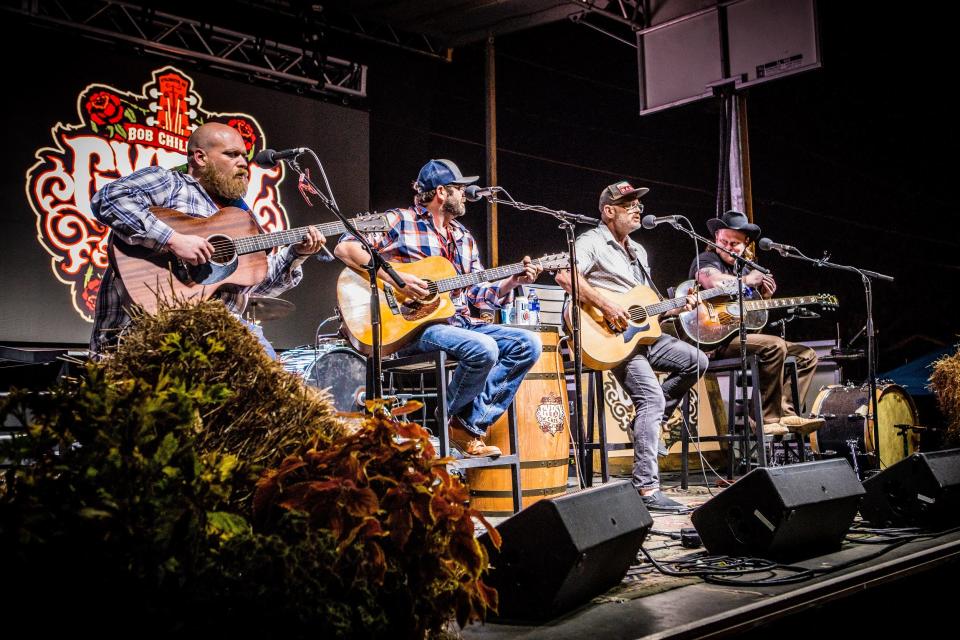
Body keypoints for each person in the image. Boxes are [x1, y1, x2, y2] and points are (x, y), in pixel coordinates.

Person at [334, 159, 542, 458]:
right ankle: (441, 423)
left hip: (458, 323)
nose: (465, 194)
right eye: (460, 188)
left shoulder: (463, 238)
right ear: (442, 192)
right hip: (413, 328)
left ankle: (466, 425)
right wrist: (398, 278)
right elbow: (346, 248)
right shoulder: (400, 220)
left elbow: (477, 294)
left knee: (528, 344)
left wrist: (511, 282)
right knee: (483, 349)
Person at [89, 122, 327, 358]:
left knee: (267, 365)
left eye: (244, 156)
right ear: (200, 158)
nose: (243, 163)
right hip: (146, 334)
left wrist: (297, 254)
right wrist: (173, 240)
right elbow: (109, 198)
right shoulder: (172, 185)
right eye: (232, 154)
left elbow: (257, 284)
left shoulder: (242, 216)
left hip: (218, 339)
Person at [555, 181, 708, 511]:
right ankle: (646, 488)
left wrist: (677, 306)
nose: (638, 208)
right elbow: (565, 277)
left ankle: (653, 419)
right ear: (609, 211)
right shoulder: (590, 241)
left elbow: (643, 307)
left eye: (638, 203)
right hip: (608, 337)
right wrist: (607, 306)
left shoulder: (638, 251)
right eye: (629, 204)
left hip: (641, 335)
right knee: (649, 397)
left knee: (697, 361)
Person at [689, 210, 823, 435]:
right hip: (715, 342)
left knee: (806, 355)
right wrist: (746, 281)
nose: (729, 247)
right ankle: (764, 420)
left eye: (735, 244)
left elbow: (754, 323)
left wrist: (764, 299)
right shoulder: (706, 260)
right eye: (724, 241)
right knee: (774, 346)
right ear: (715, 240)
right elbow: (711, 281)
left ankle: (786, 412)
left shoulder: (747, 268)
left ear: (746, 244)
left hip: (742, 337)